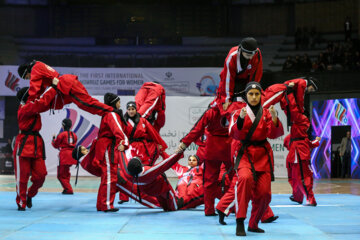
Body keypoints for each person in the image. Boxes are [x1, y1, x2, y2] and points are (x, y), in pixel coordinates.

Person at [216, 82, 284, 236]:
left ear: (261, 95)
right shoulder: (237, 113)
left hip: (262, 155)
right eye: (251, 94)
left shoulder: (266, 113)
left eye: (257, 94)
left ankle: (253, 224)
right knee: (245, 180)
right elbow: (234, 134)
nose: (254, 97)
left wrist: (274, 119)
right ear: (246, 96)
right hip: (244, 154)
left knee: (265, 194)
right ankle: (240, 221)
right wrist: (240, 119)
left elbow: (274, 135)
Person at [177, 105, 233, 216]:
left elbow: (196, 129)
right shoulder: (235, 108)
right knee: (235, 179)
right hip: (228, 146)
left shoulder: (211, 111)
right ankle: (234, 207)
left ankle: (209, 210)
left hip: (212, 148)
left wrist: (184, 144)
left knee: (209, 181)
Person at [13, 78, 59, 211]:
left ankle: (29, 195)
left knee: (41, 176)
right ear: (26, 97)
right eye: (31, 93)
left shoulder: (32, 105)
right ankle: (21, 202)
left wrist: (49, 87)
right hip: (23, 144)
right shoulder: (25, 108)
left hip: (36, 144)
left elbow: (43, 102)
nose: (34, 95)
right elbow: (41, 102)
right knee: (22, 178)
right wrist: (53, 88)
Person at [17, 60, 114, 116]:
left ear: (27, 72)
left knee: (86, 103)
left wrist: (29, 102)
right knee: (84, 104)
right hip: (64, 86)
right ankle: (108, 113)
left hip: (65, 84)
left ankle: (111, 112)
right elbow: (40, 89)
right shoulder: (38, 66)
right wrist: (34, 101)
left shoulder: (35, 69)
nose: (29, 79)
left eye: (27, 77)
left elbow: (34, 89)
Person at [93, 93, 129, 212]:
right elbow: (117, 130)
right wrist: (123, 143)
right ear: (114, 102)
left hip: (107, 146)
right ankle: (106, 204)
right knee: (110, 176)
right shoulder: (112, 114)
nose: (120, 103)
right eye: (118, 101)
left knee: (107, 176)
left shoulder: (109, 114)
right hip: (108, 147)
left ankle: (101, 204)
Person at [214, 37, 263, 113]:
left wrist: (253, 91)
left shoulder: (257, 53)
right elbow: (227, 79)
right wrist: (226, 99)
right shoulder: (232, 56)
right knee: (226, 108)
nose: (250, 57)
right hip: (232, 82)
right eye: (248, 55)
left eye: (252, 55)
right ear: (241, 50)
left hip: (246, 81)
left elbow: (256, 76)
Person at [284, 133, 320, 206]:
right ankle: (310, 199)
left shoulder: (288, 137)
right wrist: (317, 140)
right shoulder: (302, 137)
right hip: (300, 159)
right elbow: (311, 144)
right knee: (305, 179)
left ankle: (298, 197)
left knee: (294, 180)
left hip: (291, 159)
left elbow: (286, 144)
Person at [51, 118, 78, 194]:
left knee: (60, 175)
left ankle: (68, 189)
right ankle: (66, 188)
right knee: (66, 173)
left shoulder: (61, 135)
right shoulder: (74, 135)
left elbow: (55, 145)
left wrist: (53, 139)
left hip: (64, 156)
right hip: (72, 156)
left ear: (63, 126)